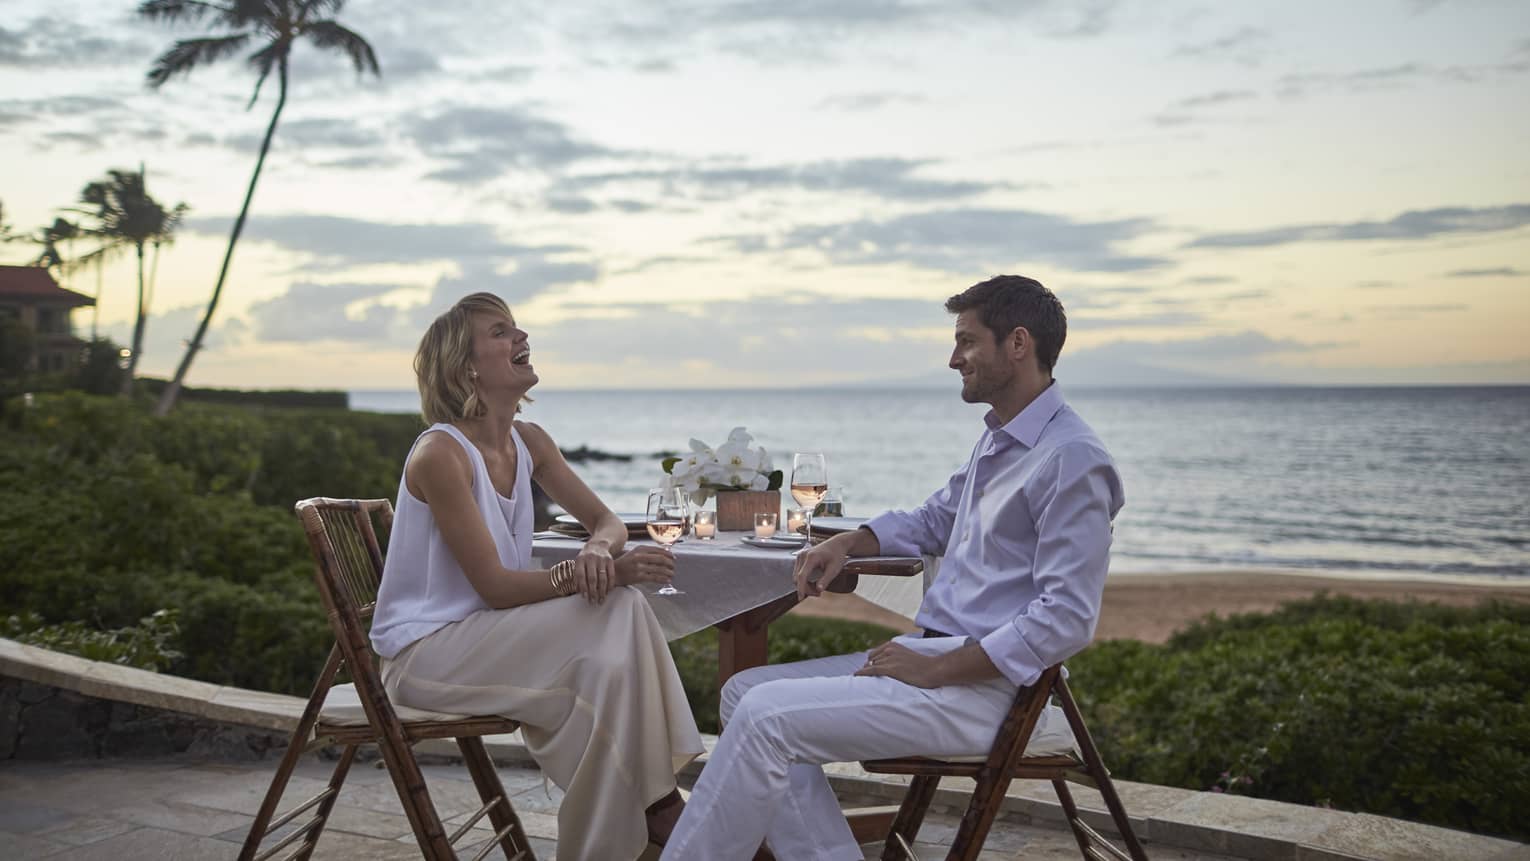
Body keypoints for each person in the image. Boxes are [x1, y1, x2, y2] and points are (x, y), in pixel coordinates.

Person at [661, 275, 1125, 861]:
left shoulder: (1072, 459)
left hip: (989, 691)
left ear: (1018, 344)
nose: (954, 358)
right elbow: (935, 518)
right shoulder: (1002, 440)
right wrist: (853, 541)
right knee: (744, 692)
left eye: (967, 341)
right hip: (940, 661)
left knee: (765, 717)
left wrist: (942, 667)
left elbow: (1067, 618)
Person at [370, 292, 704, 860]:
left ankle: (651, 815)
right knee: (614, 616)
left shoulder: (530, 441)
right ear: (466, 366)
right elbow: (497, 589)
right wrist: (598, 572)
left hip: (491, 641)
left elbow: (605, 521)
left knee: (617, 624)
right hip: (428, 658)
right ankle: (661, 809)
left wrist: (600, 551)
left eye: (516, 327)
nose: (521, 337)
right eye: (501, 332)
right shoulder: (440, 455)